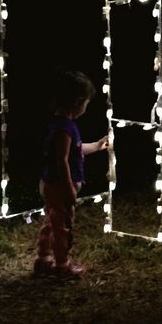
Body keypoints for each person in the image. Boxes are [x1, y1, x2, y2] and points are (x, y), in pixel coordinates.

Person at [34, 70, 108, 279]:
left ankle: (44, 259)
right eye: (86, 103)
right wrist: (68, 188)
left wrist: (96, 146)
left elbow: (74, 151)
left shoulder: (60, 125)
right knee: (63, 227)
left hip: (51, 184)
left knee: (52, 221)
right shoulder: (64, 129)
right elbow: (62, 161)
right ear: (78, 101)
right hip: (59, 185)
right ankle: (62, 265)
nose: (86, 107)